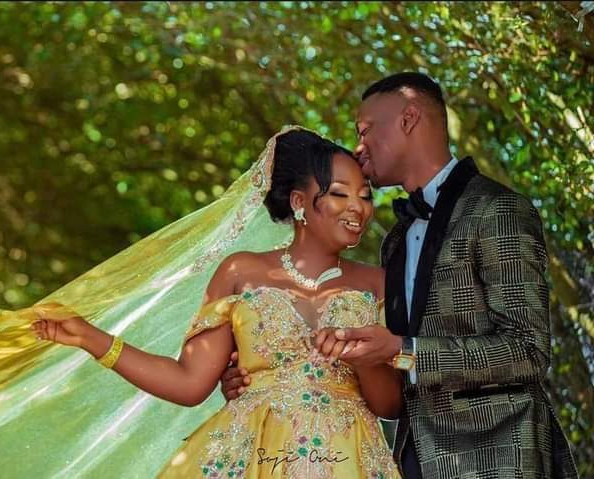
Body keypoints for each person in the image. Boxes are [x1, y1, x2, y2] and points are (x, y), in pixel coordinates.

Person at [221, 73, 579, 478]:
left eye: (365, 130)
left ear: (408, 118)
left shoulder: (497, 210)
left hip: (497, 459)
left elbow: (527, 350)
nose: (359, 147)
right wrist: (264, 374)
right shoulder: (396, 240)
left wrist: (403, 350)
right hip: (413, 459)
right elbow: (388, 383)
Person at [31, 127, 403, 478]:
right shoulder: (241, 271)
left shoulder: (379, 282)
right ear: (298, 202)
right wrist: (91, 338)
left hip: (347, 459)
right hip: (250, 455)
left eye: (365, 196)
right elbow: (189, 383)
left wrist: (362, 359)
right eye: (340, 193)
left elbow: (390, 405)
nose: (358, 208)